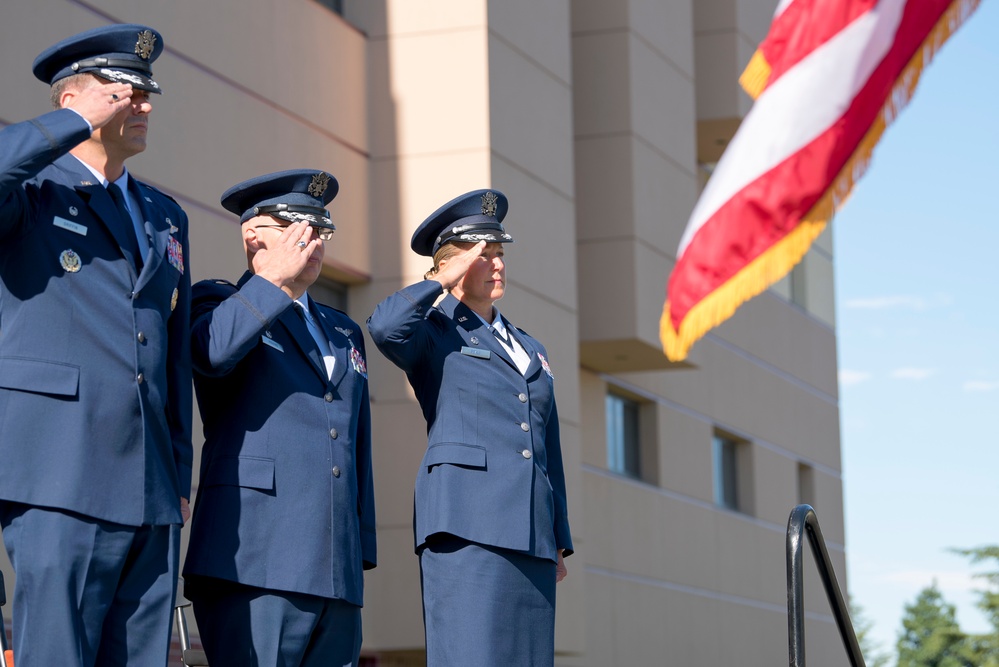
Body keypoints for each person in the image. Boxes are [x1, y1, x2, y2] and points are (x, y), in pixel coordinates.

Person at [0, 23, 192, 667]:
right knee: (59, 652)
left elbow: (169, 352)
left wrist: (178, 472)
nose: (142, 107)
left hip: (150, 481)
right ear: (71, 100)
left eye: (146, 95)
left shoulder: (164, 214)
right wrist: (74, 123)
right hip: (58, 467)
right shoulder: (33, 187)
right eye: (124, 93)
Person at [367, 189, 573, 666]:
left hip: (531, 535)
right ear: (451, 264)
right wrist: (441, 281)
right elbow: (384, 327)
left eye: (500, 254)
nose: (497, 264)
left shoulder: (530, 347)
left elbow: (547, 444)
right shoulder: (433, 331)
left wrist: (557, 537)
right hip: (467, 525)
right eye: (484, 255)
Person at [182, 169, 376, 667]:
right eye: (295, 228)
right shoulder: (219, 299)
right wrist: (273, 281)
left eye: (320, 229)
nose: (312, 240)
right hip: (253, 553)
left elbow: (356, 442)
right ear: (253, 235)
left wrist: (358, 547)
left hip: (333, 564)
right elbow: (212, 353)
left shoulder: (342, 330)